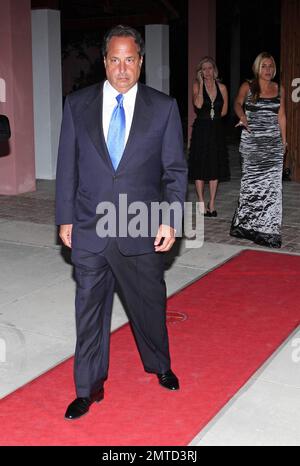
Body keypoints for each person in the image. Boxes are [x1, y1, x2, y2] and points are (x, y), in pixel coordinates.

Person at [55, 25, 187, 420]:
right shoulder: (77, 105)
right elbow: (67, 168)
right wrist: (64, 218)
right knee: (89, 309)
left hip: (140, 226)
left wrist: (170, 219)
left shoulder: (163, 108)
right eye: (115, 59)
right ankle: (87, 387)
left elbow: (175, 171)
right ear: (105, 60)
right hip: (90, 226)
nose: (122, 67)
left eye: (130, 59)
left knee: (148, 305)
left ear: (141, 62)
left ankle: (160, 365)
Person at [230, 52, 287, 248]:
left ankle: (268, 231)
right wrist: (242, 117)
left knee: (272, 189)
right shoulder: (248, 86)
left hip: (272, 145)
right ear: (257, 68)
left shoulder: (279, 88)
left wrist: (284, 141)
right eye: (264, 66)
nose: (268, 70)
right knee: (251, 187)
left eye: (271, 66)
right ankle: (246, 226)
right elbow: (237, 104)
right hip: (252, 143)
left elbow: (282, 116)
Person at [188, 56, 230, 217]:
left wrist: (215, 116)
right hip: (201, 129)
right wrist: (199, 84)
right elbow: (198, 105)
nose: (207, 71)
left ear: (214, 70)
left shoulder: (223, 87)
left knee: (215, 164)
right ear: (200, 72)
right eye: (203, 69)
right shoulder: (196, 86)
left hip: (217, 129)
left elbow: (224, 110)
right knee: (200, 164)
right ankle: (200, 201)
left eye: (209, 68)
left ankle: (211, 202)